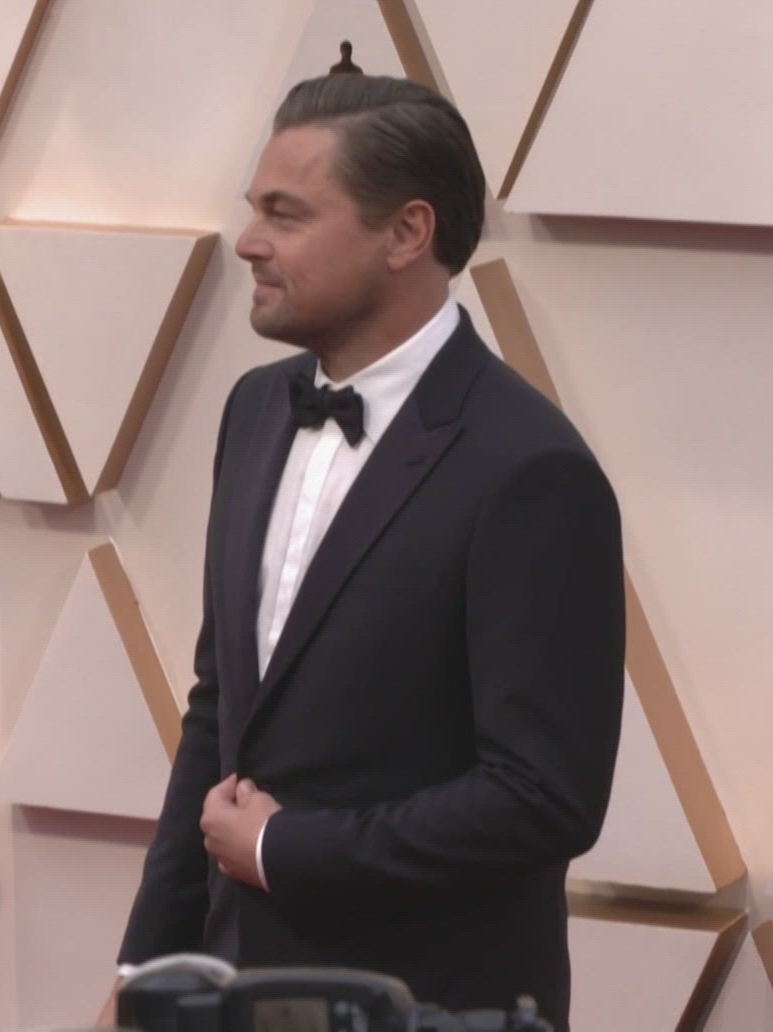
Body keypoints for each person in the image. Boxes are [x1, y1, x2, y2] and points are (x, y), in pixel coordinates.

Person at [104, 68, 625, 1027]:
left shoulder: (529, 469)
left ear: (406, 233)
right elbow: (219, 714)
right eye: (254, 209)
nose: (248, 241)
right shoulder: (255, 410)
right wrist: (147, 975)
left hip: (427, 1007)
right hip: (235, 999)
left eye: (286, 214)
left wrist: (285, 850)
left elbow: (543, 797)